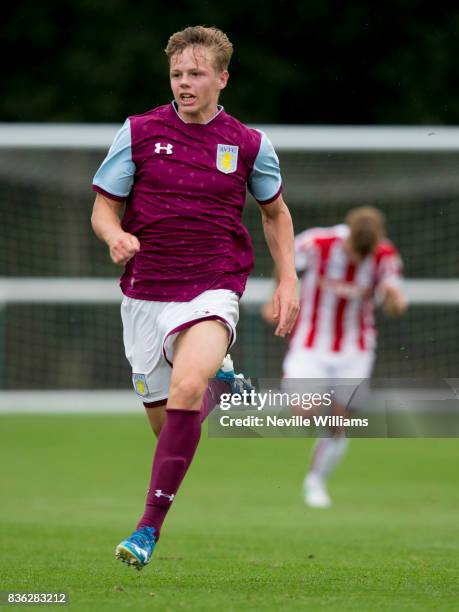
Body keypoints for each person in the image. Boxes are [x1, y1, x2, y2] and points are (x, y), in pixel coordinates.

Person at [90, 25, 299, 569]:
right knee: (169, 428)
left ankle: (145, 531)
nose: (184, 83)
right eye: (177, 74)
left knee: (186, 386)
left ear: (222, 78)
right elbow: (104, 207)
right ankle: (219, 386)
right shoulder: (138, 132)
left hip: (213, 286)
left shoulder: (250, 144)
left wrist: (288, 280)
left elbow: (274, 213)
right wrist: (115, 235)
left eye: (196, 73)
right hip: (144, 294)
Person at [262, 206, 407, 508]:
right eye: (355, 251)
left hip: (356, 348)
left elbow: (396, 305)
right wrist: (277, 294)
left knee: (340, 422)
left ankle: (315, 481)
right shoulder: (318, 243)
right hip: (311, 343)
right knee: (303, 411)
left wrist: (394, 301)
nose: (358, 259)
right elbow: (285, 261)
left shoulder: (384, 256)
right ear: (348, 235)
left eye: (364, 255)